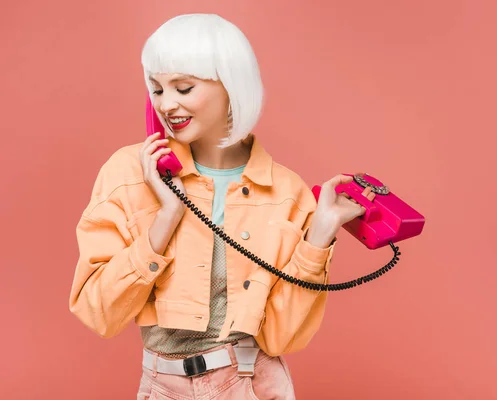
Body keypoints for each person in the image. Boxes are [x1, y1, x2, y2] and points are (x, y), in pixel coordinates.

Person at [69, 13, 375, 399]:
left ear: (232, 86)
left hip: (254, 383)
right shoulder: (131, 173)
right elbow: (100, 312)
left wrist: (319, 238)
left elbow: (282, 337)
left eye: (183, 87)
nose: (167, 105)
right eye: (157, 89)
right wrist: (166, 218)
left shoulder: (286, 191)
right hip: (163, 386)